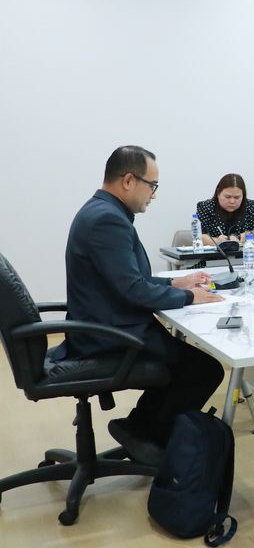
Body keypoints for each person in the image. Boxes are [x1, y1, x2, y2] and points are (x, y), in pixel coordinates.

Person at [56, 145, 225, 465]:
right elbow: (132, 290)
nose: (154, 195)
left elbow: (127, 280)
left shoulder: (100, 211)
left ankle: (138, 427)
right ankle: (147, 435)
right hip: (110, 336)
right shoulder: (107, 220)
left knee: (185, 363)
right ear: (129, 180)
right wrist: (191, 297)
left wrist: (174, 284)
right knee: (204, 370)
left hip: (102, 324)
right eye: (152, 185)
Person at [196, 173, 254, 245]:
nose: (232, 201)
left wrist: (238, 237)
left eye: (237, 197)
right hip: (215, 250)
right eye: (227, 197)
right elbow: (199, 235)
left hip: (244, 250)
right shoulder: (205, 207)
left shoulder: (249, 206)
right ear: (218, 193)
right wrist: (217, 240)